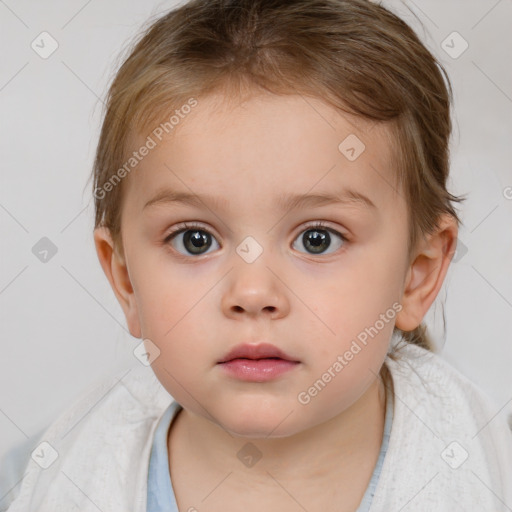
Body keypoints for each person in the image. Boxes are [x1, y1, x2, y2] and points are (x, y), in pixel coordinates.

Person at [4, 0, 512, 510]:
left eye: (318, 238)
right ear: (126, 280)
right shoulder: (55, 480)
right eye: (194, 240)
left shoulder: (485, 475)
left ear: (416, 276)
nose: (252, 293)